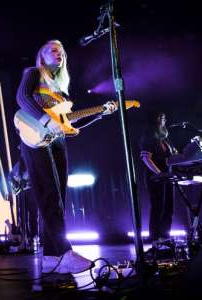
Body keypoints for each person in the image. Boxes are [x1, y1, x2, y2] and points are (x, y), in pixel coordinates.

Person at [16, 40, 116, 273]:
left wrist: (101, 112)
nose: (59, 54)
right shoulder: (32, 73)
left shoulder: (60, 91)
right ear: (41, 55)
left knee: (58, 197)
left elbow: (67, 122)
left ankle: (52, 258)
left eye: (62, 51)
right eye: (53, 50)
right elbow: (22, 98)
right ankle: (64, 251)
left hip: (58, 141)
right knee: (49, 194)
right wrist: (46, 120)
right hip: (36, 136)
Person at [139, 112, 178, 247]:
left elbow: (176, 156)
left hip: (167, 176)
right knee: (158, 207)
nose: (163, 119)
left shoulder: (166, 141)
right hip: (155, 176)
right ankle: (155, 238)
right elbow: (145, 158)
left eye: (164, 117)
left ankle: (165, 236)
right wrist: (160, 174)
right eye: (160, 117)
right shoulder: (149, 136)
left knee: (169, 208)